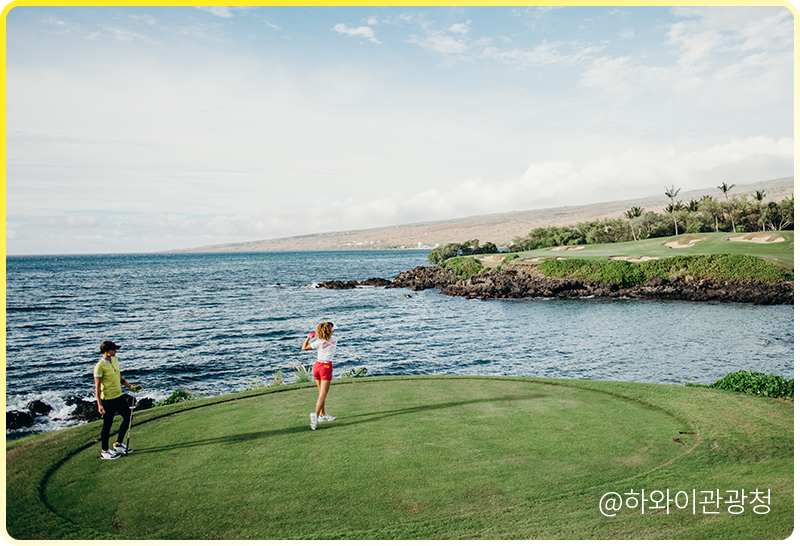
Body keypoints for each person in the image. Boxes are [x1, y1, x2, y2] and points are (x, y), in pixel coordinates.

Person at [94, 341, 142, 460]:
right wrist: (99, 404)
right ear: (106, 351)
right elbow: (97, 387)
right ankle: (105, 451)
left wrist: (131, 387)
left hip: (118, 396)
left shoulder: (114, 360)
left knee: (128, 416)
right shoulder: (99, 366)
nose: (116, 351)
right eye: (113, 349)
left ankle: (118, 445)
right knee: (107, 424)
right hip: (107, 399)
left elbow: (119, 377)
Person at [301, 322, 338, 430]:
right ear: (330, 331)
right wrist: (317, 336)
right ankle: (316, 415)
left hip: (317, 366)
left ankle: (322, 414)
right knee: (323, 394)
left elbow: (304, 348)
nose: (334, 331)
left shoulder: (318, 342)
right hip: (326, 367)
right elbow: (325, 337)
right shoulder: (334, 339)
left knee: (321, 393)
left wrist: (309, 337)